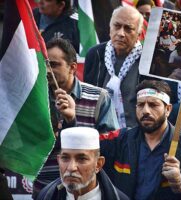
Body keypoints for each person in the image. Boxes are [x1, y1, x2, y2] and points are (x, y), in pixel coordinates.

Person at [32, 38, 119, 198]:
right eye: (45, 64)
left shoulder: (99, 97)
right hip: (45, 190)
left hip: (85, 189)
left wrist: (72, 122)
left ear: (72, 67)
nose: (48, 70)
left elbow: (110, 147)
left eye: (54, 64)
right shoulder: (36, 99)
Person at [100, 80, 181, 200]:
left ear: (168, 109)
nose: (145, 111)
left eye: (153, 105)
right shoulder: (119, 139)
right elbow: (86, 148)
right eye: (140, 105)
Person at [84, 6, 144, 128]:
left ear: (138, 34)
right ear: (110, 29)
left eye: (128, 29)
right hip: (100, 134)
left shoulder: (147, 60)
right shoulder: (95, 54)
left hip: (136, 136)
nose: (121, 33)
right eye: (117, 26)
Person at [37, 127, 129, 200]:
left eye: (81, 159)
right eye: (65, 158)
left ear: (98, 164)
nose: (71, 168)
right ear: (58, 160)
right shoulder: (46, 195)